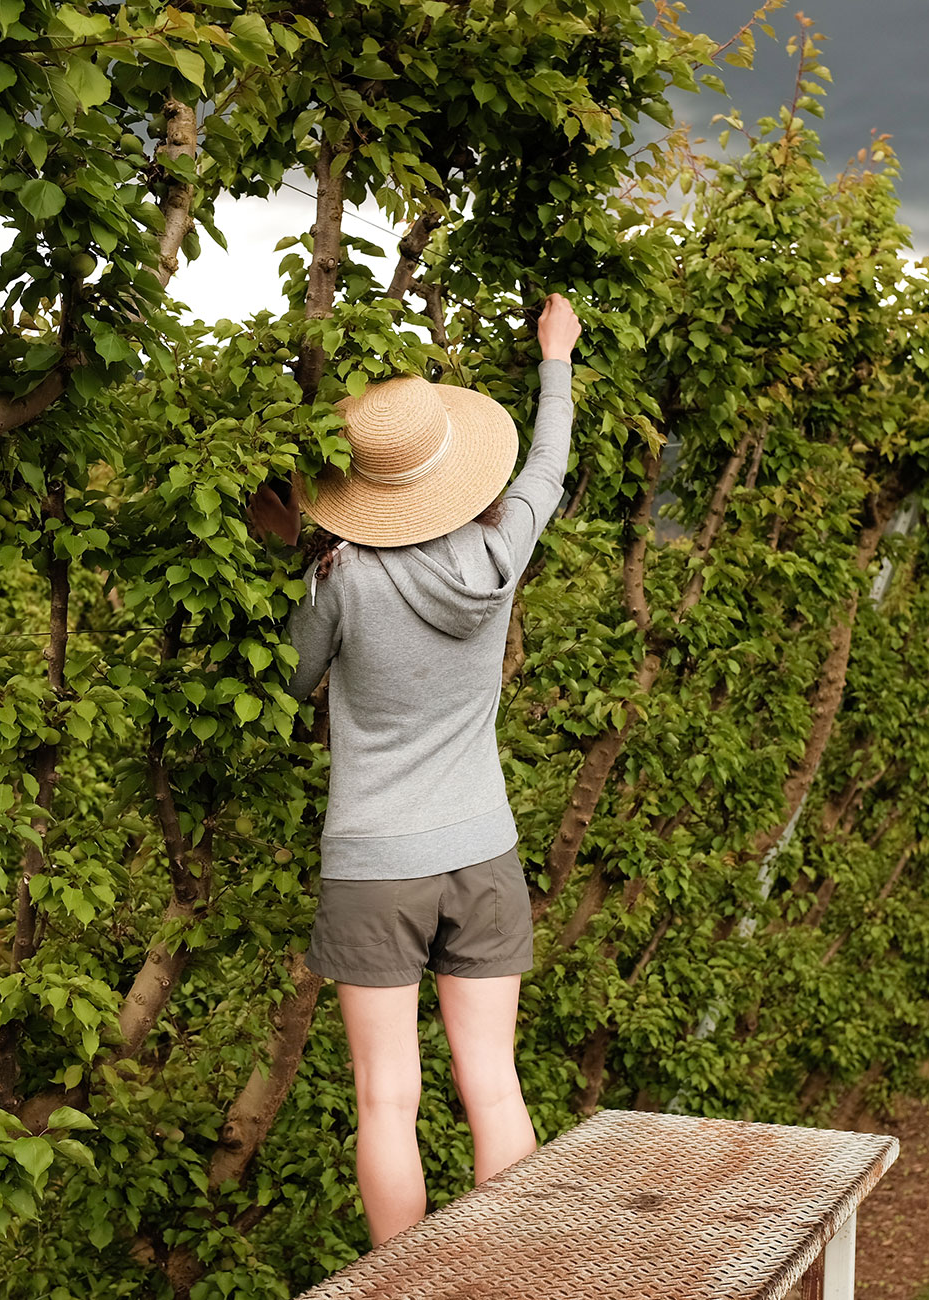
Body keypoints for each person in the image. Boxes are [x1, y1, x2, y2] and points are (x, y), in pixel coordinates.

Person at [246, 293, 581, 1245]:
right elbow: (548, 468)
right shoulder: (499, 555)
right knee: (494, 1081)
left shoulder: (340, 579)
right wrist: (553, 357)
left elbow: (294, 681)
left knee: (386, 1100)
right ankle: (504, 1273)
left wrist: (299, 551)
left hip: (373, 862)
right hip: (484, 855)